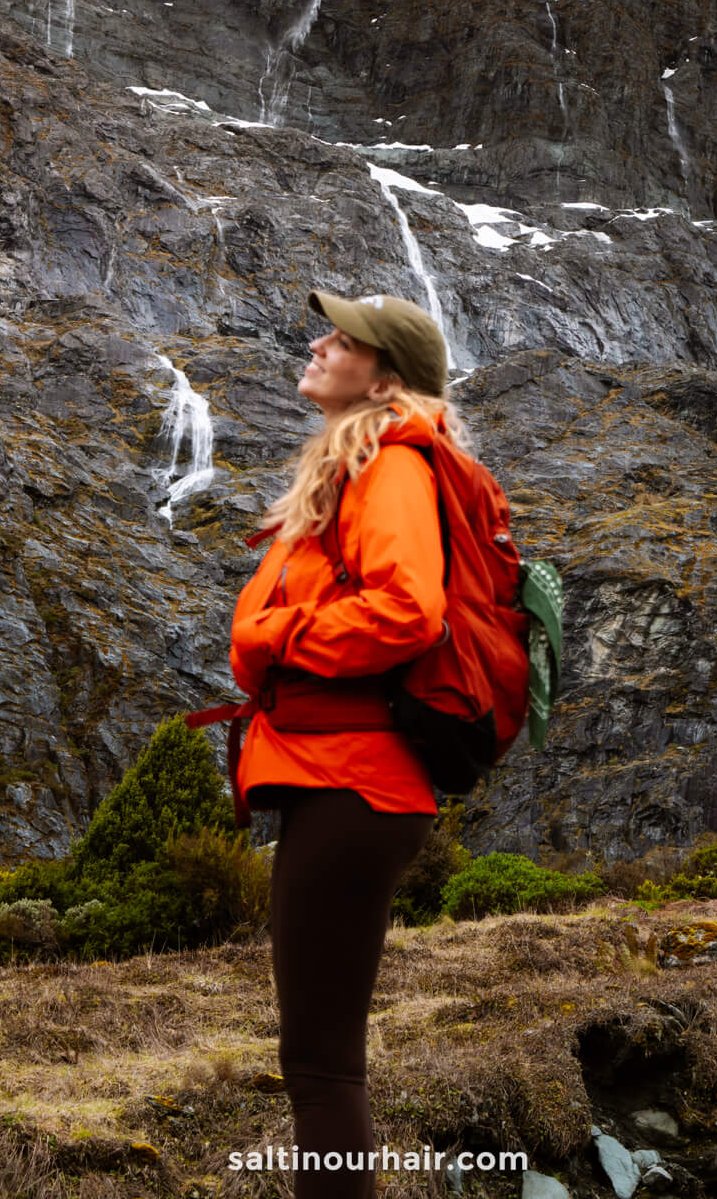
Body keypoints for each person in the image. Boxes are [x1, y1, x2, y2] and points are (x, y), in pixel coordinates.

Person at [229, 289, 461, 1199]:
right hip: (344, 783)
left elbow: (410, 610)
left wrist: (275, 638)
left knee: (323, 1069)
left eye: (345, 337)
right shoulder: (361, 465)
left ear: (386, 376)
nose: (321, 342)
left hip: (352, 784)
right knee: (322, 1062)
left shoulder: (390, 466)